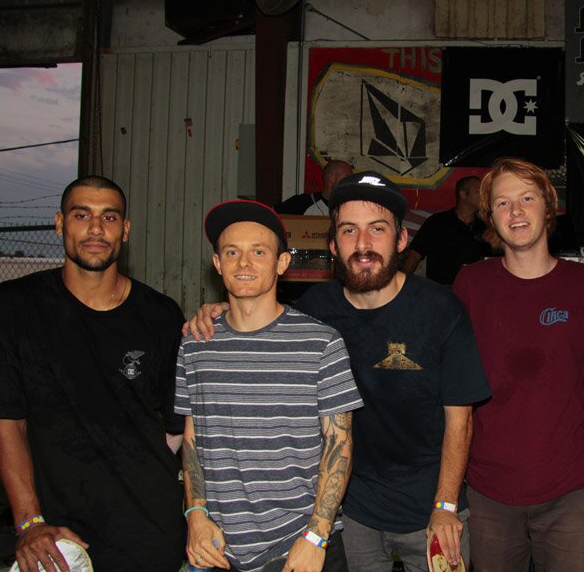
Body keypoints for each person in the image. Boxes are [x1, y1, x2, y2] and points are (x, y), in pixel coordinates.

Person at [187, 173, 490, 572]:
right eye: (349, 231)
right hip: (354, 513)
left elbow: (461, 421)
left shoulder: (441, 310)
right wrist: (221, 311)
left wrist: (446, 505)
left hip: (432, 508)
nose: (363, 245)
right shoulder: (315, 310)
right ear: (333, 245)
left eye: (377, 230)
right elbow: (263, 319)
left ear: (401, 240)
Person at [0, 176, 186, 572]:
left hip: (147, 529)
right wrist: (29, 521)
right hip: (54, 529)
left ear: (126, 229)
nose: (96, 228)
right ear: (59, 224)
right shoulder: (15, 306)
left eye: (110, 217)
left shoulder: (160, 313)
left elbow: (178, 427)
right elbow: (5, 423)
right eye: (81, 215)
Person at [452, 157, 584, 572]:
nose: (516, 212)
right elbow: (452, 388)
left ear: (548, 207)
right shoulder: (471, 284)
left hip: (572, 488)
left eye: (527, 198)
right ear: (490, 217)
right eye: (502, 203)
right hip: (489, 488)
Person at [176, 200, 363, 572]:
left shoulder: (321, 342)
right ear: (217, 263)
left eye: (258, 252)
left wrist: (317, 536)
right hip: (218, 548)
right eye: (232, 252)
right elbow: (192, 437)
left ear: (281, 263)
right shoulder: (196, 343)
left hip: (297, 547)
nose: (244, 263)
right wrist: (195, 513)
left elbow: (339, 444)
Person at [401, 176, 489, 285]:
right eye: (478, 191)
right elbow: (415, 255)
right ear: (463, 194)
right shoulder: (438, 222)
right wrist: (400, 286)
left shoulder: (483, 226)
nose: (483, 195)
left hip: (472, 289)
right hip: (441, 290)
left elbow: (496, 257)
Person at [276, 160, 353, 216]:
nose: (350, 181)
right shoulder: (303, 202)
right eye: (346, 177)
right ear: (331, 178)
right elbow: (271, 215)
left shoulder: (352, 205)